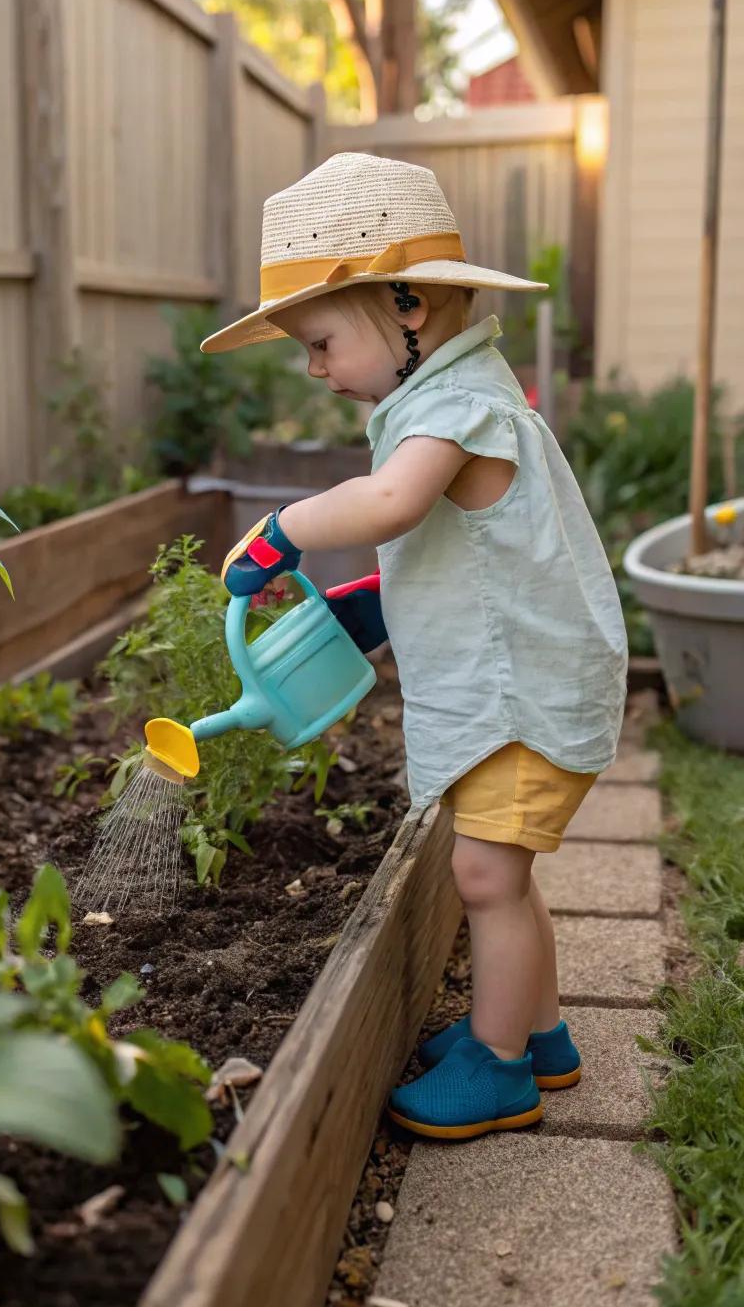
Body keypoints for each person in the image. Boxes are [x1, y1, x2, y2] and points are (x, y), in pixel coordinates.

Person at [206, 151, 628, 1141]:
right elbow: (469, 555)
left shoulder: (453, 407)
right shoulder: (449, 393)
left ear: (407, 306)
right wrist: (371, 609)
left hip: (528, 692)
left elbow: (392, 506)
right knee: (506, 871)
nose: (312, 369)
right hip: (527, 669)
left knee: (486, 879)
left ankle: (501, 1069)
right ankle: (539, 1033)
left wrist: (284, 528)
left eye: (318, 341)